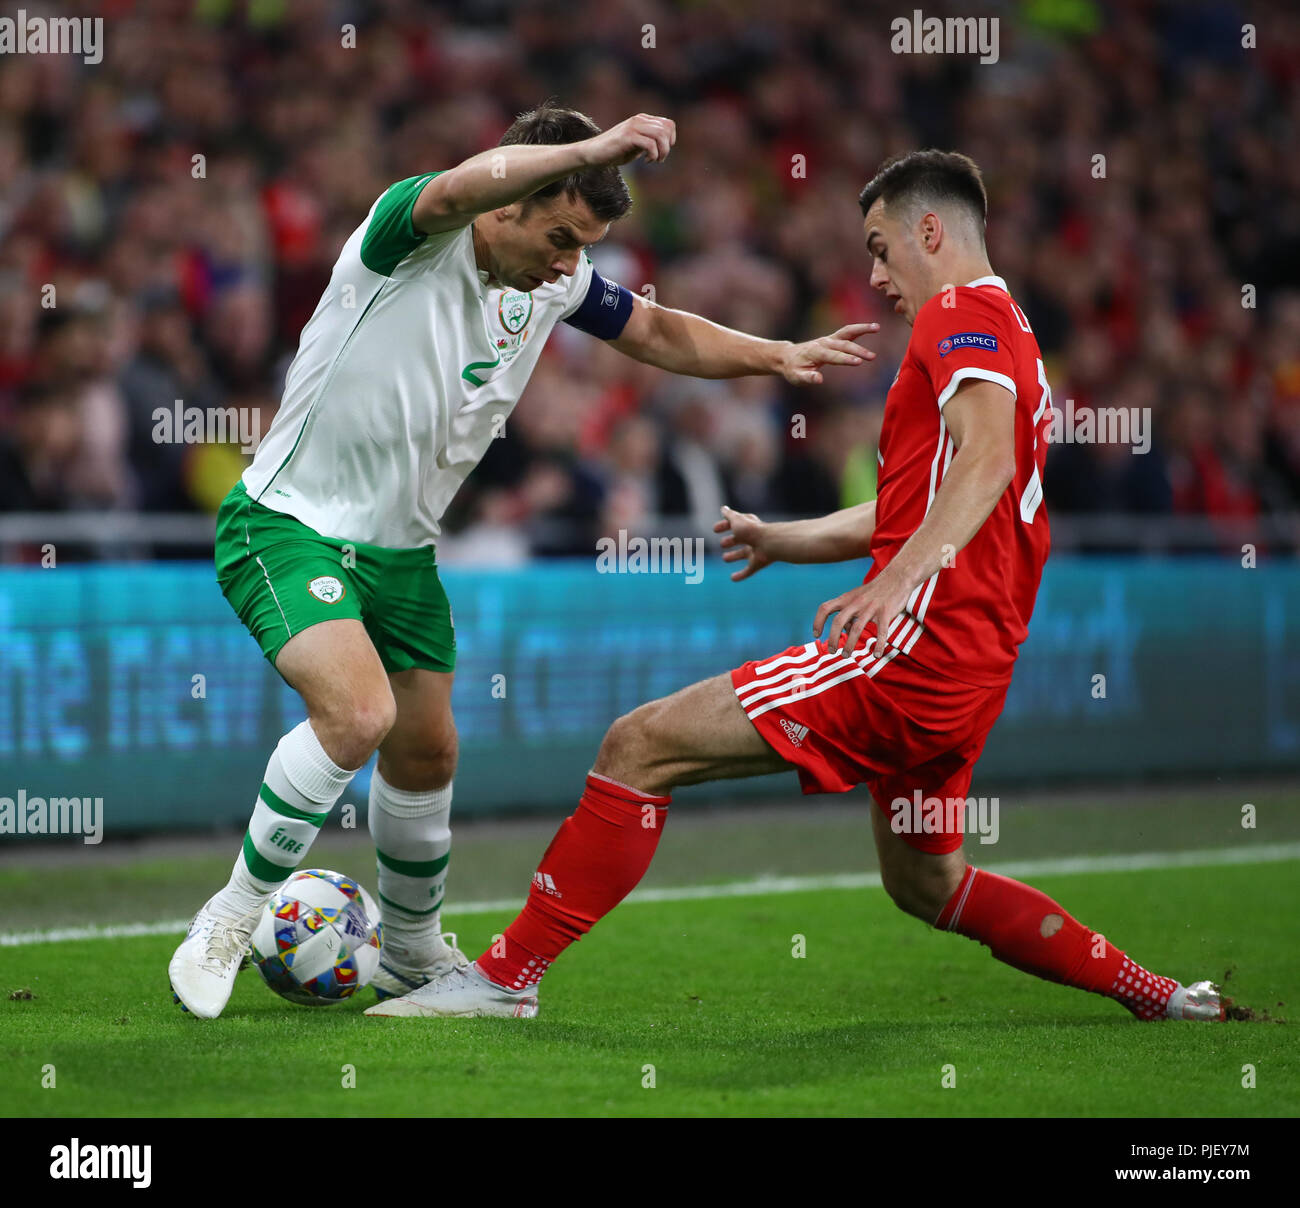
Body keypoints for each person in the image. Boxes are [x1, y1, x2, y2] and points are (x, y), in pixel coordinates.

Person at [368, 150, 1224, 1024]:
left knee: (639, 745)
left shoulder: (958, 314)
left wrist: (897, 580)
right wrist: (785, 539)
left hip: (914, 652)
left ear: (932, 231)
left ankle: (504, 977)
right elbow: (913, 502)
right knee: (928, 883)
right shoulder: (1015, 336)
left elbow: (989, 463)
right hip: (972, 668)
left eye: (883, 248)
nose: (876, 274)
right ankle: (1158, 996)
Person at [168, 104, 877, 1019]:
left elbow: (657, 333)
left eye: (582, 245)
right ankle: (229, 917)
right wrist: (587, 148)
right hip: (290, 523)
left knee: (428, 750)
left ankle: (413, 952)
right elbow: (463, 184)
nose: (569, 261)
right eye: (559, 234)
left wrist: (773, 353)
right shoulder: (409, 236)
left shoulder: (550, 282)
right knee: (358, 714)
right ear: (510, 202)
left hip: (403, 554)